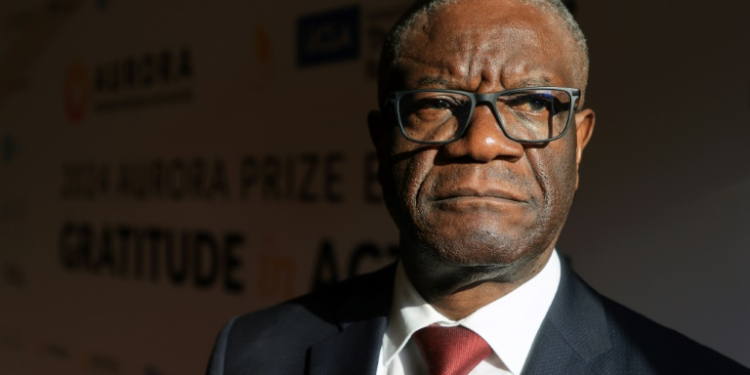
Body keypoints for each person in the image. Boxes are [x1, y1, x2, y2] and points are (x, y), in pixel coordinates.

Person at [206, 0, 750, 374]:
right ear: (381, 140)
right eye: (438, 104)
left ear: (578, 143)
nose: (483, 142)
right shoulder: (252, 353)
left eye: (533, 104)